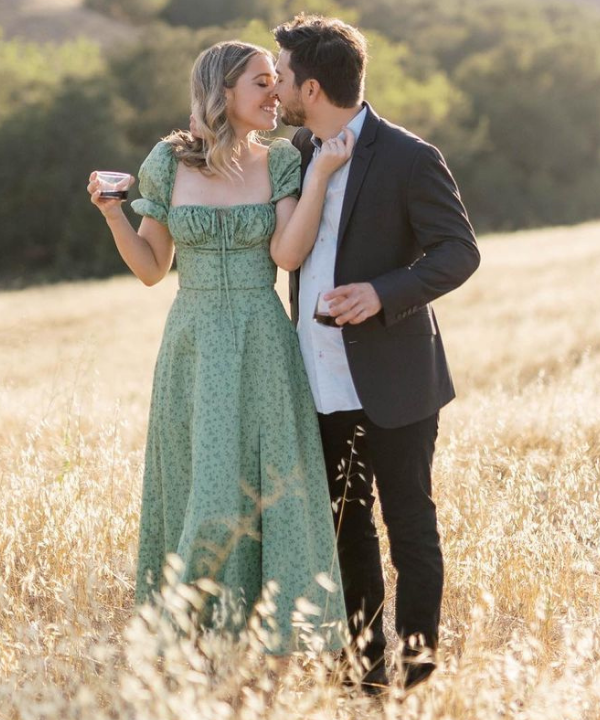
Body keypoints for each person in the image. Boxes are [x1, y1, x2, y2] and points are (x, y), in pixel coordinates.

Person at [86, 40, 353, 654]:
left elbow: (286, 255)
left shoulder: (285, 160)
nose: (276, 94)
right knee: (203, 488)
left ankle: (278, 637)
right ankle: (195, 635)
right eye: (262, 83)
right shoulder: (166, 161)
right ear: (223, 90)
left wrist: (320, 178)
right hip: (194, 343)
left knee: (273, 487)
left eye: (275, 81)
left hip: (263, 336)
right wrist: (111, 214)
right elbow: (153, 268)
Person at [272, 15, 480, 690]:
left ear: (310, 84)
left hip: (396, 376)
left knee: (411, 528)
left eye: (279, 76)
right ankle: (366, 683)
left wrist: (383, 292)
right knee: (345, 529)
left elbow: (458, 251)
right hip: (316, 374)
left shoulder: (409, 156)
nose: (273, 88)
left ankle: (417, 679)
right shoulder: (294, 151)